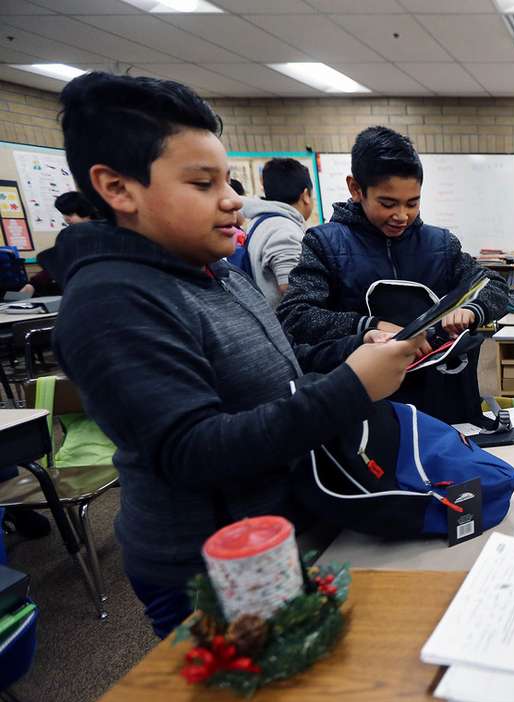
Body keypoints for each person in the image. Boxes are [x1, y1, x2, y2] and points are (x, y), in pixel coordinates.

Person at [52, 72, 421, 638]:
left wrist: (355, 348)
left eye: (227, 180)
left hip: (280, 528)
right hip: (210, 570)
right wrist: (352, 387)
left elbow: (277, 366)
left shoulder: (211, 270)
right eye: (202, 183)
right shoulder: (112, 301)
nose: (233, 200)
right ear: (117, 188)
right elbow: (195, 450)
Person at [277, 126, 507, 344]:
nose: (402, 216)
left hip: (438, 379)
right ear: (356, 189)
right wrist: (368, 326)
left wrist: (471, 309)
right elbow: (295, 315)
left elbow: (493, 285)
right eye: (388, 204)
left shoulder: (441, 244)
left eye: (412, 203)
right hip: (365, 380)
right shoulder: (324, 244)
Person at [239, 157, 313, 307]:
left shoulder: (262, 222)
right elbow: (295, 294)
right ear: (305, 195)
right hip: (283, 326)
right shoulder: (285, 231)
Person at [33, 192, 100, 293]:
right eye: (63, 214)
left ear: (84, 210)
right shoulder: (67, 235)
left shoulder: (109, 230)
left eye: (70, 214)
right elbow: (59, 263)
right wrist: (33, 284)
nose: (66, 219)